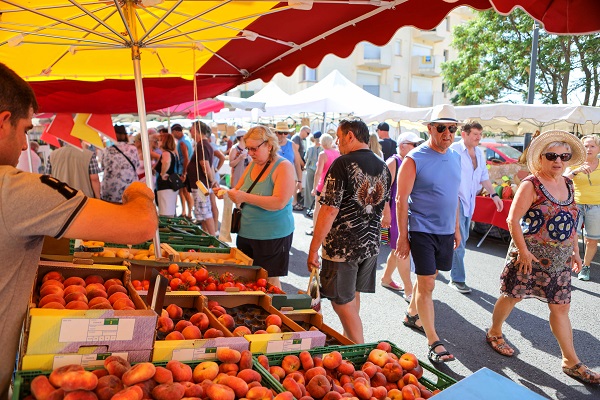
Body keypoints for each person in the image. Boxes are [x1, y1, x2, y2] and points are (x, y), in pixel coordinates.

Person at [0, 62, 158, 399]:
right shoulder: (14, 190)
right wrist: (139, 192)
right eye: (26, 129)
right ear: (3, 122)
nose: (27, 145)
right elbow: (141, 225)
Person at [486, 130, 600, 384]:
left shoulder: (569, 183)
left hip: (559, 260)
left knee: (561, 308)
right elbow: (512, 220)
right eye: (552, 155)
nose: (558, 160)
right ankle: (494, 332)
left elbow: (570, 222)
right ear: (541, 158)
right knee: (511, 296)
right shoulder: (531, 184)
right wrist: (524, 252)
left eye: (564, 156)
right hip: (528, 257)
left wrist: (576, 252)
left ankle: (571, 361)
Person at [307, 119, 391, 344]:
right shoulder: (382, 165)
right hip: (370, 245)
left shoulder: (342, 164)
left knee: (340, 301)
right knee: (353, 295)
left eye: (339, 136)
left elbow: (329, 210)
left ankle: (359, 350)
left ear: (351, 136)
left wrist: (313, 247)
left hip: (343, 247)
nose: (337, 141)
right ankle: (350, 342)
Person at [395, 104, 461, 364]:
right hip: (421, 229)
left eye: (452, 128)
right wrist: (402, 236)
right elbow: (401, 199)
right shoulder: (415, 158)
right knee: (428, 284)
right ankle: (434, 340)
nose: (448, 133)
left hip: (446, 231)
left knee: (431, 275)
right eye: (442, 127)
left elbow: (453, 196)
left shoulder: (455, 157)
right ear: (430, 128)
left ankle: (412, 314)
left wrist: (455, 228)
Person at [226, 125, 295, 289]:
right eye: (248, 148)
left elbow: (279, 202)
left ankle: (275, 313)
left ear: (269, 145)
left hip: (272, 236)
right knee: (249, 281)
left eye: (254, 149)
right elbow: (238, 189)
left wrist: (243, 196)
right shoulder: (252, 165)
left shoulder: (283, 166)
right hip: (246, 232)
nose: (250, 153)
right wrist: (225, 192)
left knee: (269, 282)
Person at [449, 120, 503, 293]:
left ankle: (439, 267)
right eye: (475, 135)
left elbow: (483, 177)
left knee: (459, 239)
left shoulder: (479, 153)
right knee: (461, 240)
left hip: (469, 202)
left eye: (480, 135)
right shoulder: (454, 150)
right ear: (464, 134)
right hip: (455, 202)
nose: (478, 138)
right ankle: (457, 278)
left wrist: (494, 195)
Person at [380, 132, 422, 301]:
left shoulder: (408, 162)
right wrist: (386, 213)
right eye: (415, 144)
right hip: (394, 211)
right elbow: (382, 190)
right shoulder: (393, 162)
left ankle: (386, 278)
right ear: (403, 145)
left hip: (403, 210)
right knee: (401, 249)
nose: (417, 148)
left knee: (397, 248)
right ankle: (409, 289)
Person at [565, 134, 600, 281]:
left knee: (591, 240)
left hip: (597, 206)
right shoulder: (574, 163)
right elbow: (563, 179)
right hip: (576, 205)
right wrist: (577, 170)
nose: (588, 149)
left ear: (598, 148)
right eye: (585, 146)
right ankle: (566, 268)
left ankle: (585, 267)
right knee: (571, 236)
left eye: (592, 146)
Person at [187, 121, 218, 235]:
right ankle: (207, 235)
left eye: (191, 129)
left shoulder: (202, 145)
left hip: (201, 185)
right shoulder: (204, 145)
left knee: (205, 213)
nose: (190, 131)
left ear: (197, 130)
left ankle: (213, 238)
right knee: (202, 213)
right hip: (201, 185)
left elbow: (205, 166)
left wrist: (211, 181)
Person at [307, 133, 340, 236]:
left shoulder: (323, 154)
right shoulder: (338, 153)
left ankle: (315, 229)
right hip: (334, 185)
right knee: (330, 209)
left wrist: (314, 188)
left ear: (321, 143)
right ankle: (328, 230)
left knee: (318, 208)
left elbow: (318, 172)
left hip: (323, 185)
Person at [100, 125, 140, 204]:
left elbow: (102, 167)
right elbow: (137, 165)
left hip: (111, 190)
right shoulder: (133, 149)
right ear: (125, 135)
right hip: (129, 188)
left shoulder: (107, 150)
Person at [274, 121, 303, 210]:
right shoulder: (272, 145)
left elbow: (297, 163)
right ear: (276, 133)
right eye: (280, 132)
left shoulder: (292, 144)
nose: (283, 135)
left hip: (288, 178)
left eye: (285, 133)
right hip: (274, 178)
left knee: (287, 204)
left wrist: (299, 181)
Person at [172, 123, 194, 220]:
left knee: (185, 192)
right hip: (185, 169)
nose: (173, 135)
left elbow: (186, 158)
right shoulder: (186, 139)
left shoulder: (182, 142)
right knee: (182, 191)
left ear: (176, 131)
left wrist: (184, 173)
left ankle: (189, 213)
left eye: (173, 133)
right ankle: (185, 212)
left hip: (184, 170)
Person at [154, 133, 180, 216]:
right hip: (171, 185)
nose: (157, 142)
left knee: (165, 212)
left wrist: (162, 173)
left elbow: (166, 161)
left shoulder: (166, 153)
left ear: (164, 142)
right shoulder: (173, 153)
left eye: (159, 140)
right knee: (169, 211)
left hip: (165, 185)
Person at [303, 131, 322, 213]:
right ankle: (316, 207)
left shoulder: (310, 148)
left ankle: (309, 206)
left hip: (310, 169)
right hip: (320, 170)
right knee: (318, 189)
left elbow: (306, 158)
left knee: (309, 188)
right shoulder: (323, 149)